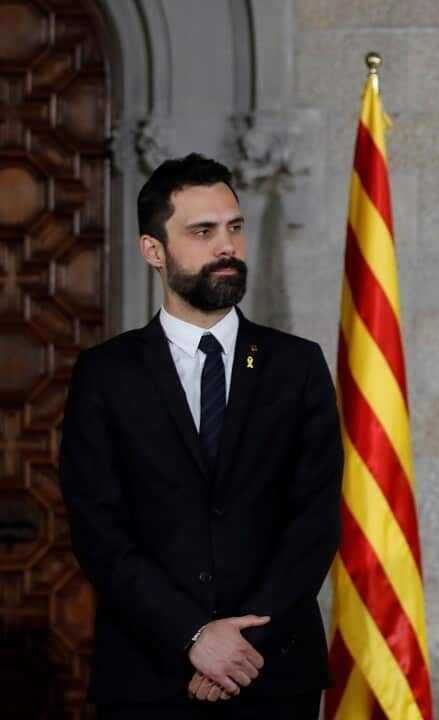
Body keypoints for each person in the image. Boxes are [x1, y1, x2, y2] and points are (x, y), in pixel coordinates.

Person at [59, 154, 342, 719]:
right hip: (149, 675)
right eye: (203, 231)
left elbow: (313, 522)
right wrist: (194, 636)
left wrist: (240, 648)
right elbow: (99, 532)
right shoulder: (106, 375)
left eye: (234, 227)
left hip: (273, 673)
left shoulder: (297, 366)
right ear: (153, 250)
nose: (227, 246)